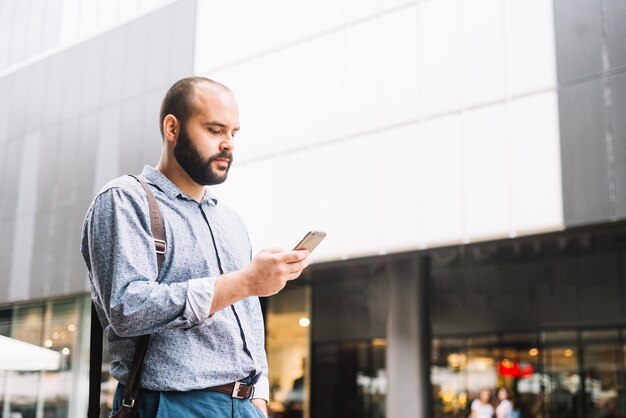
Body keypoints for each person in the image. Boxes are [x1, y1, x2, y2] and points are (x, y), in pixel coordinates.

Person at [81, 77, 310, 417]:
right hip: (169, 404)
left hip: (244, 405)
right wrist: (244, 281)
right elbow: (127, 308)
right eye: (215, 130)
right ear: (172, 128)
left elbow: (248, 317)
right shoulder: (125, 200)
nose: (228, 144)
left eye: (234, 133)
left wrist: (258, 397)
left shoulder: (230, 221)